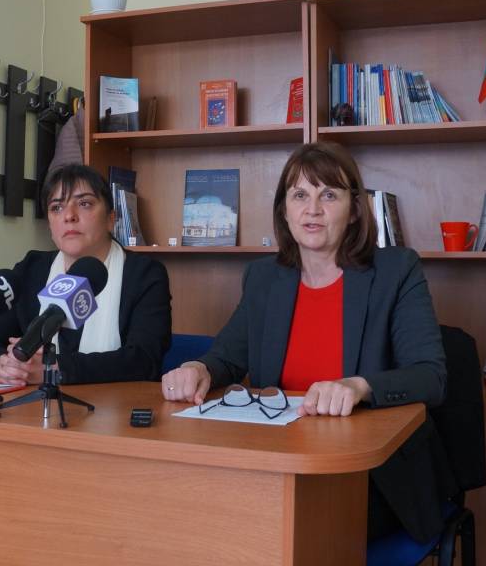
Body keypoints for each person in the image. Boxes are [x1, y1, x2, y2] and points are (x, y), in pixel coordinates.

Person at [161, 142, 457, 543]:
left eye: (329, 195)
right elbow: (227, 358)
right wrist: (199, 368)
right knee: (195, 510)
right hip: (277, 467)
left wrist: (359, 386)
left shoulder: (396, 271)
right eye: (300, 195)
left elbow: (430, 376)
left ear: (355, 209)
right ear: (284, 210)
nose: (312, 209)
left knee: (277, 530)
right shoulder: (264, 278)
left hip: (371, 477)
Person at [0, 163, 171, 385]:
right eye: (57, 207)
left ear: (111, 219)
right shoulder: (32, 268)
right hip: (33, 403)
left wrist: (54, 370)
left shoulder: (144, 274)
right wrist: (4, 366)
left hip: (116, 403)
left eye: (84, 203)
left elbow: (144, 360)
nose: (69, 216)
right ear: (50, 225)